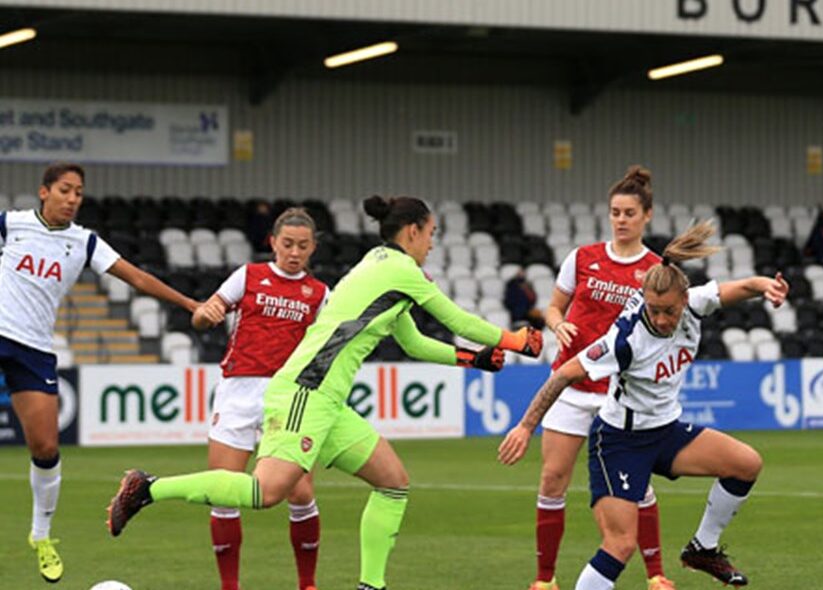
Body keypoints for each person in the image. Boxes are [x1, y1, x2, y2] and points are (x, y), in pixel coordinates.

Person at [107, 195, 544, 590]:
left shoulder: (378, 264)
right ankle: (148, 488)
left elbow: (412, 342)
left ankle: (371, 586)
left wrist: (472, 360)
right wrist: (516, 340)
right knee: (266, 493)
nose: (432, 243)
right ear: (412, 231)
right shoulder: (400, 270)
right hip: (306, 391)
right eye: (431, 233)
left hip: (326, 401)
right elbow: (458, 319)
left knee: (393, 484)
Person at [499, 220, 790, 590]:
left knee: (746, 464)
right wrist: (526, 426)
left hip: (665, 432)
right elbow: (563, 375)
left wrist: (767, 286)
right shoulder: (624, 340)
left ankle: (702, 549)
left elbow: (745, 287)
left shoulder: (696, 303)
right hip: (619, 443)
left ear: (684, 301)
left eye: (669, 311)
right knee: (619, 545)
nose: (661, 319)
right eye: (653, 310)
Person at [0, 162, 199, 584]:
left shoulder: (85, 242)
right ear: (44, 192)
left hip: (34, 350)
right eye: (65, 190)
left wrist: (190, 304)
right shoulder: (11, 224)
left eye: (78, 192)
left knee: (46, 448)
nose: (72, 198)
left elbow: (138, 278)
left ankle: (41, 535)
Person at [528, 165, 669, 590]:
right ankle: (545, 580)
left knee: (637, 486)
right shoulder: (582, 258)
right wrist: (558, 325)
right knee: (552, 479)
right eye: (615, 212)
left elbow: (664, 326)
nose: (621, 220)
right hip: (571, 386)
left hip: (621, 394)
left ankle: (656, 575)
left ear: (647, 215)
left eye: (629, 213)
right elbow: (553, 307)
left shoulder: (656, 269)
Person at [190, 207, 329, 590]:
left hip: (288, 397)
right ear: (273, 242)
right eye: (288, 244)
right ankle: (230, 586)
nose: (294, 252)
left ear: (313, 248)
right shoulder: (248, 276)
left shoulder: (320, 294)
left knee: (300, 492)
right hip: (238, 391)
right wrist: (206, 314)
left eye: (303, 245)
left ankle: (307, 584)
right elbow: (201, 317)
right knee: (223, 490)